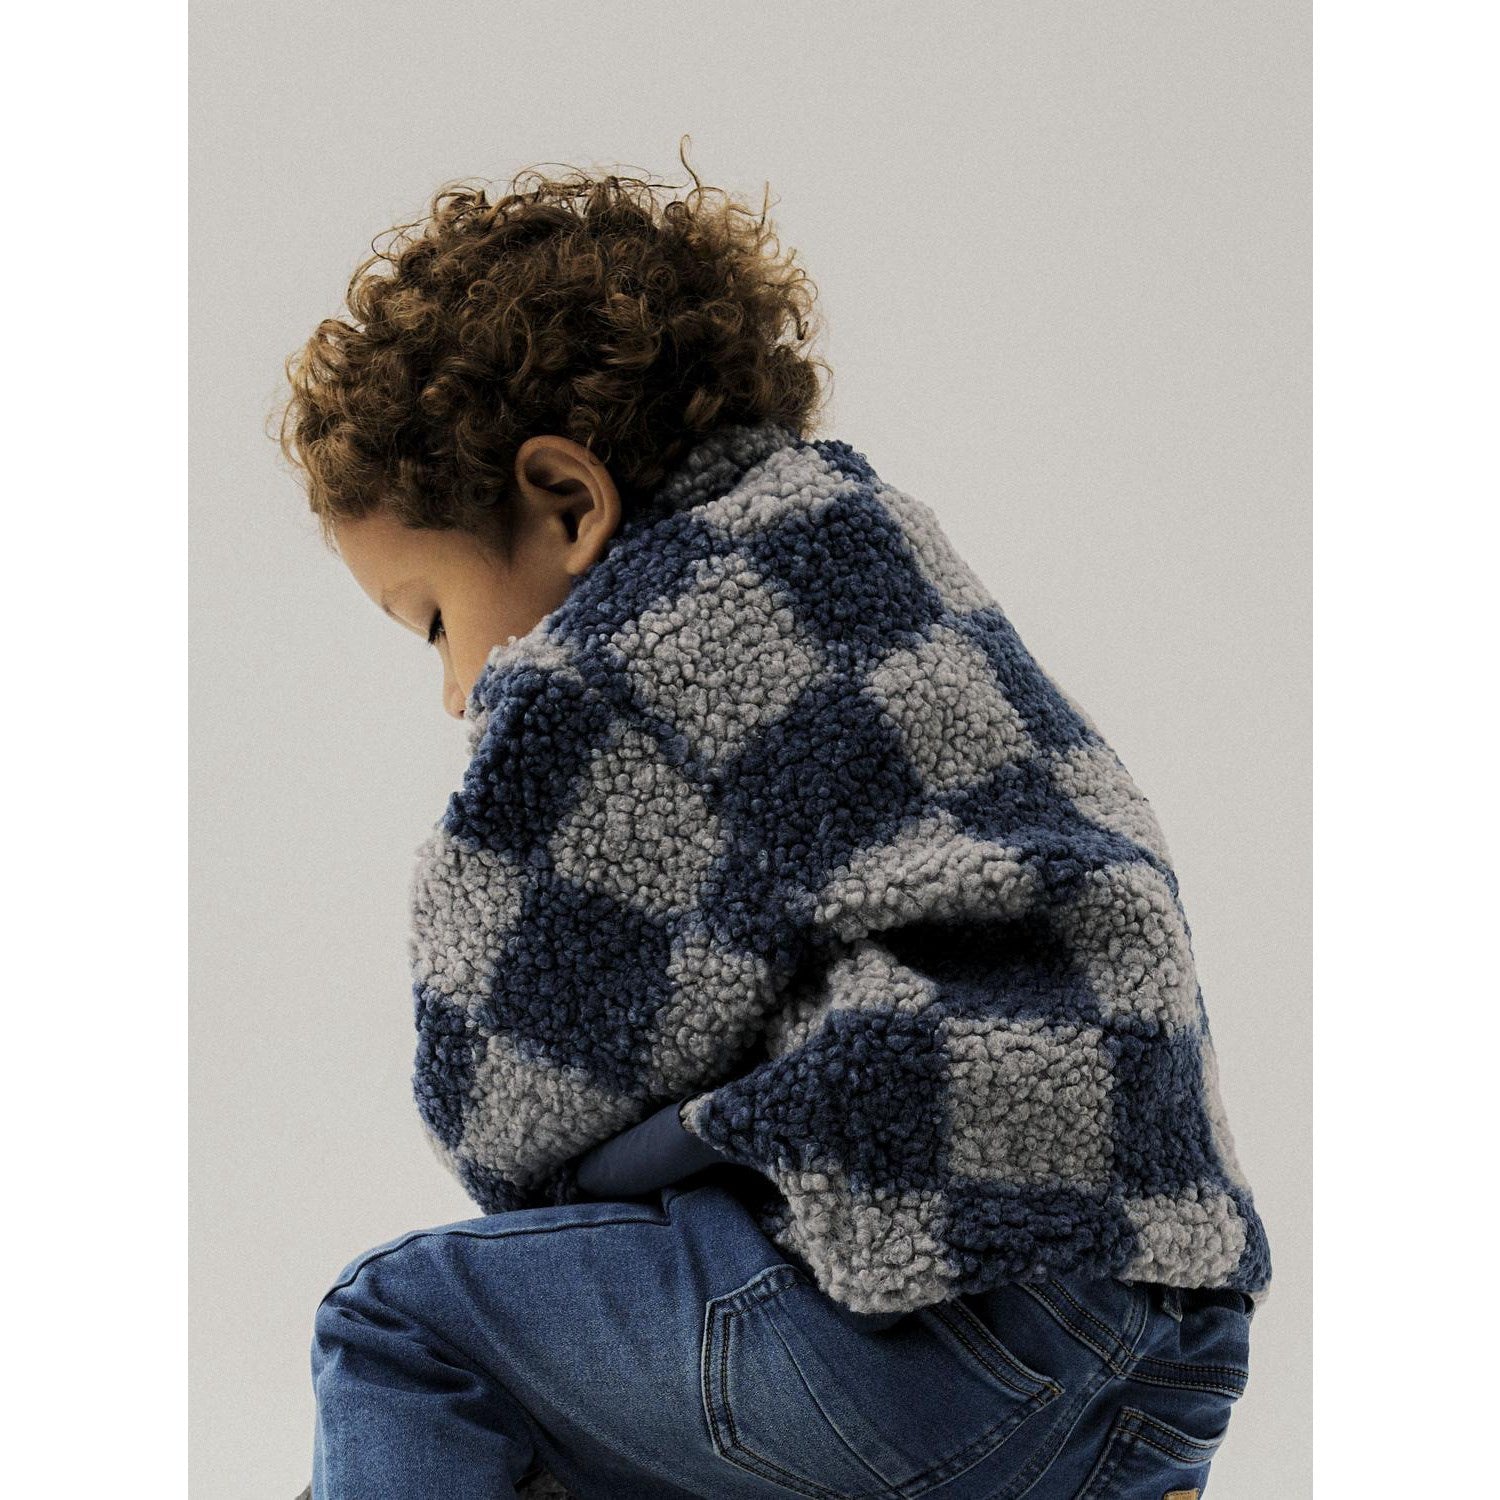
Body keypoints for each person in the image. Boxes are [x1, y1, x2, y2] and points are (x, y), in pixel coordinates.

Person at [277, 148, 1268, 1500]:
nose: (457, 689)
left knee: (403, 1332)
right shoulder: (875, 550)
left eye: (435, 620)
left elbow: (501, 1106)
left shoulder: (611, 665)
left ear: (567, 503)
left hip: (931, 1332)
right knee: (619, 1383)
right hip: (1169, 1349)